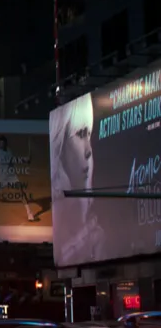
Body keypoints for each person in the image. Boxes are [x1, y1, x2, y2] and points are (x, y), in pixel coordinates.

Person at [50, 94, 103, 264]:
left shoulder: (96, 232)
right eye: (80, 134)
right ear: (61, 145)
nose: (89, 151)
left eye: (89, 134)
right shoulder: (59, 225)